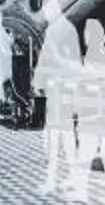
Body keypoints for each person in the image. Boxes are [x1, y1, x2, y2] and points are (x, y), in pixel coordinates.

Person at [73, 20, 105, 203]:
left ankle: (80, 190)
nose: (85, 37)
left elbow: (92, 84)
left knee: (86, 152)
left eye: (87, 33)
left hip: (94, 113)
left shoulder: (93, 56)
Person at [36, 10, 84, 195]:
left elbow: (46, 61)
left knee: (58, 139)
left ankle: (59, 179)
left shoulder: (58, 32)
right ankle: (64, 178)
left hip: (60, 96)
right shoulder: (64, 32)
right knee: (61, 138)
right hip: (59, 96)